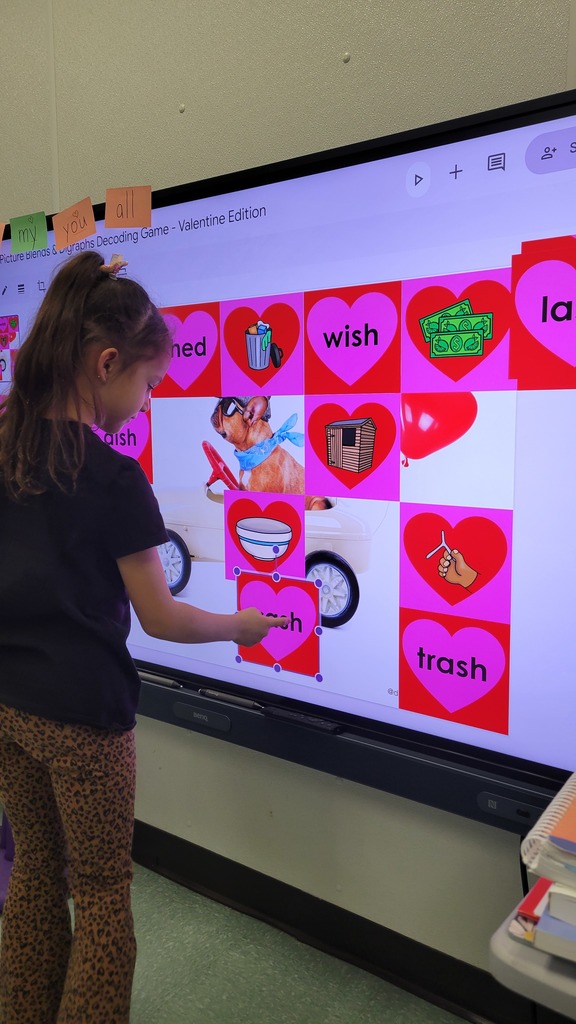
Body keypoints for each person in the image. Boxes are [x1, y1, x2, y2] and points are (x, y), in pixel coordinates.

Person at [0, 250, 286, 1024]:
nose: (148, 401)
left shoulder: (6, 444)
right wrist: (242, 623)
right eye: (148, 383)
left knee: (30, 872)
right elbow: (162, 617)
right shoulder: (113, 478)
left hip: (9, 707)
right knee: (99, 896)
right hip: (85, 721)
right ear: (105, 363)